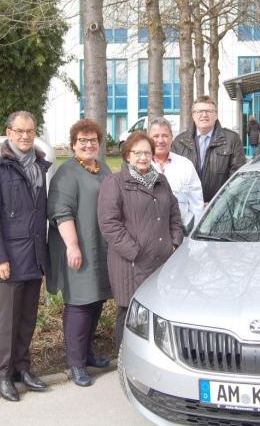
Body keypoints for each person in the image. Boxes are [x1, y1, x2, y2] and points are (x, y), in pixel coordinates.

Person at [0, 111, 52, 402]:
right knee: (8, 322)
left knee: (27, 319)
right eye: (19, 131)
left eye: (30, 131)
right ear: (8, 132)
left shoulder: (39, 167)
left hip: (33, 255)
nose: (24, 136)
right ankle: (4, 375)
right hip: (9, 258)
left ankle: (23, 369)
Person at [98, 132, 184, 350]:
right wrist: (135, 251)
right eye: (137, 153)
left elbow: (174, 213)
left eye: (147, 152)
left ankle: (154, 359)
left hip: (162, 261)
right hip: (131, 263)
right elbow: (109, 223)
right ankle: (125, 362)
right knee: (129, 312)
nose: (143, 157)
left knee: (159, 311)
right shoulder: (115, 183)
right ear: (128, 156)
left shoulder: (161, 181)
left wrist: (175, 242)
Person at [47, 119, 113, 388]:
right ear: (73, 145)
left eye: (93, 141)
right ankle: (75, 363)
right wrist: (72, 246)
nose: (88, 145)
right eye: (83, 141)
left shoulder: (102, 168)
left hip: (100, 247)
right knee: (79, 305)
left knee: (96, 301)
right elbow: (61, 212)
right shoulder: (67, 173)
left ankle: (86, 354)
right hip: (79, 248)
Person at [172, 95, 246, 204]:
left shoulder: (232, 139)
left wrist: (216, 204)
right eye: (200, 111)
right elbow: (174, 177)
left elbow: (237, 177)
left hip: (220, 208)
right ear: (193, 115)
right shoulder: (180, 141)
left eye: (209, 111)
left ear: (216, 114)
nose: (204, 115)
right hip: (187, 208)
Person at [148, 117, 204, 225]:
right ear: (149, 139)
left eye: (165, 136)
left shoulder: (185, 165)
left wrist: (192, 234)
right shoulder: (140, 166)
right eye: (156, 136)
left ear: (171, 138)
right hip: (147, 235)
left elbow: (197, 205)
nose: (160, 140)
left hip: (180, 234)